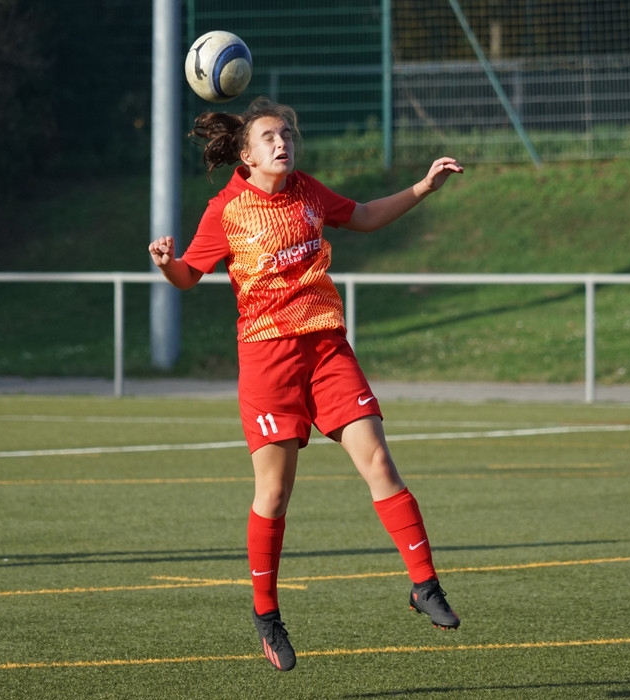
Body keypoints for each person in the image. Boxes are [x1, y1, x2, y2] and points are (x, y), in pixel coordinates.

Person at [148, 96, 464, 672]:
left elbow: (364, 216)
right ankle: (267, 614)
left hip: (326, 349)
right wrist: (167, 263)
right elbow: (188, 276)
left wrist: (424, 187)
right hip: (268, 360)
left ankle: (424, 585)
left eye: (287, 135)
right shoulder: (226, 210)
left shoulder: (308, 192)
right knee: (273, 493)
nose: (282, 143)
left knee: (380, 463)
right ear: (246, 155)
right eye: (269, 137)